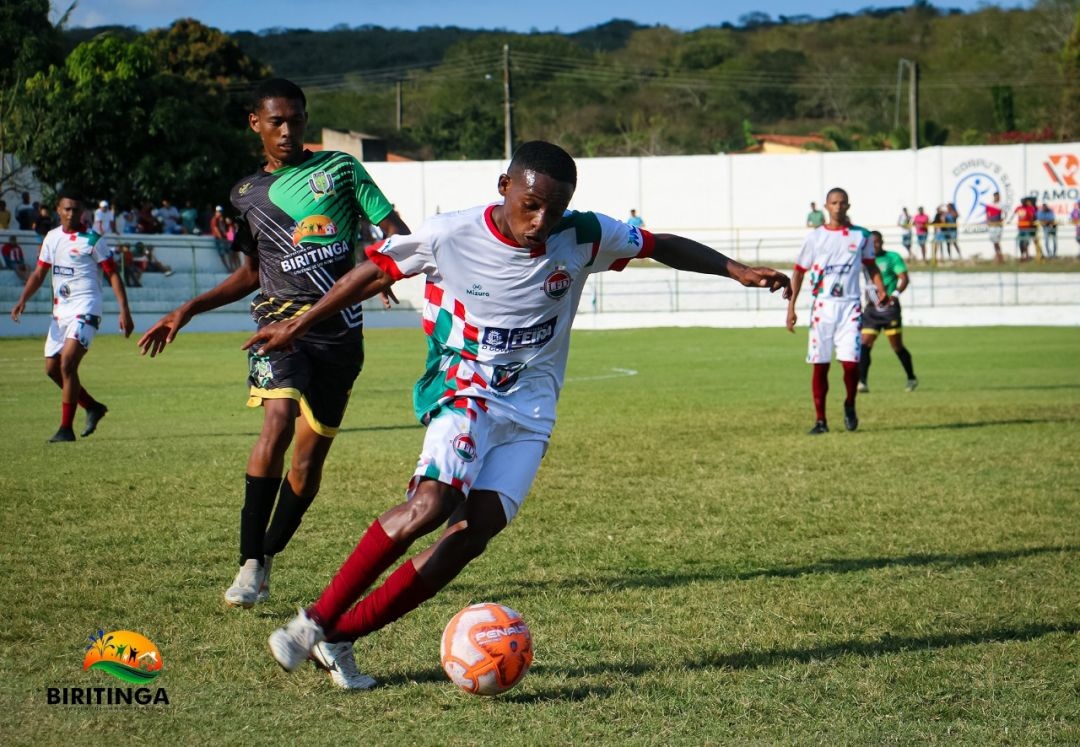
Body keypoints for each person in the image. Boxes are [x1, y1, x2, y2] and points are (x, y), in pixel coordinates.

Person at [245, 140, 791, 690]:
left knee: (471, 533)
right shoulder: (449, 234)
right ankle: (312, 622)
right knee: (432, 504)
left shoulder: (582, 235)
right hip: (464, 387)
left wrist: (737, 271)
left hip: (531, 409)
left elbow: (659, 244)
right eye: (530, 205)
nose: (540, 222)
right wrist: (300, 323)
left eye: (553, 210)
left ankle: (342, 637)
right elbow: (374, 271)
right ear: (504, 187)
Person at [137, 78, 410, 611]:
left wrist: (390, 262)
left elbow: (394, 232)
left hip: (339, 332)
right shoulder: (245, 195)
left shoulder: (342, 169)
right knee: (277, 422)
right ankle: (249, 563)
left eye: (297, 120)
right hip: (276, 327)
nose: (288, 131)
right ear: (255, 124)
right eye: (277, 121)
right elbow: (251, 274)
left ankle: (267, 556)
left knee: (307, 465)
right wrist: (189, 308)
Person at [9, 192, 134, 442]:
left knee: (67, 363)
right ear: (58, 210)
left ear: (83, 213)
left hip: (86, 308)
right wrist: (23, 299)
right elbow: (38, 274)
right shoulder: (52, 238)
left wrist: (124, 310)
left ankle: (66, 429)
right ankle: (92, 407)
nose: (71, 214)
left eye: (76, 210)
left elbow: (112, 275)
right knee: (52, 369)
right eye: (67, 209)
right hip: (60, 313)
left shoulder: (93, 239)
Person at [785, 187, 888, 435]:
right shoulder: (815, 238)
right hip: (823, 307)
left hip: (850, 306)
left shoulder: (861, 236)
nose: (838, 207)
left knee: (851, 365)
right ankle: (821, 421)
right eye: (834, 203)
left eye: (843, 203)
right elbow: (799, 271)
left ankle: (850, 404)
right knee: (820, 364)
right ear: (827, 206)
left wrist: (881, 288)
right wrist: (792, 306)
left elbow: (871, 267)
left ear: (848, 206)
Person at [857, 231, 917, 393]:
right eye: (872, 242)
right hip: (871, 309)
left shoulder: (892, 257)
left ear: (882, 242)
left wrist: (895, 295)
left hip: (889, 309)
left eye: (877, 242)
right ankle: (862, 382)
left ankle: (911, 377)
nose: (875, 245)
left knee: (896, 346)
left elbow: (904, 277)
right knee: (865, 344)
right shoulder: (863, 259)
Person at [210, 205, 238, 271]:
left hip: (226, 240)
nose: (220, 213)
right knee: (224, 254)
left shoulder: (223, 221)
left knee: (230, 253)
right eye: (219, 211)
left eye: (221, 211)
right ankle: (229, 268)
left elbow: (227, 232)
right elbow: (216, 230)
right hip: (220, 239)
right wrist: (222, 238)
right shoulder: (215, 220)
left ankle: (233, 268)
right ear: (216, 212)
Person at [983, 191, 1005, 264]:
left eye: (999, 196)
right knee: (994, 242)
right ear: (994, 196)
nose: (998, 198)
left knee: (997, 241)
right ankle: (998, 256)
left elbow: (1005, 214)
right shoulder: (990, 205)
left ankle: (999, 257)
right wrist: (988, 221)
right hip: (992, 225)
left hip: (998, 225)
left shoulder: (1001, 205)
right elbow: (987, 215)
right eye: (996, 196)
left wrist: (1002, 221)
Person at [1014, 197, 1037, 262]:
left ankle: (1027, 256)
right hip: (1020, 228)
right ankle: (1022, 256)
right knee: (1020, 243)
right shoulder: (1019, 207)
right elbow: (1015, 212)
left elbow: (1032, 216)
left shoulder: (1030, 208)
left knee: (1026, 243)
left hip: (1027, 228)